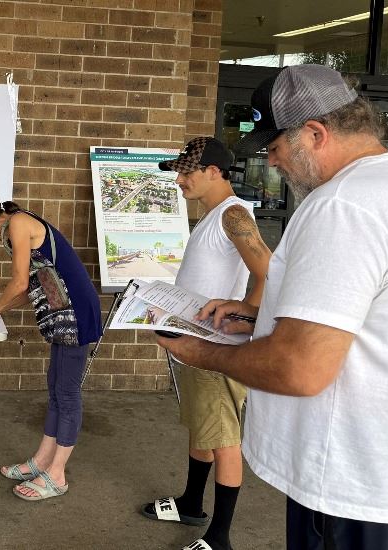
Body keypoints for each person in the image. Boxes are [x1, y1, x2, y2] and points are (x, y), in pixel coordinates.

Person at [158, 64, 388, 549]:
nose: (272, 162)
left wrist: (198, 352)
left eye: (275, 147)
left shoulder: (344, 206)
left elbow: (300, 368)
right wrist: (257, 317)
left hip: (350, 483)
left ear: (315, 133)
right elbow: (377, 320)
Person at [140, 137, 271, 550]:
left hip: (215, 348)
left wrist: (244, 311)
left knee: (224, 438)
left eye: (187, 172)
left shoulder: (232, 214)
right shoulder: (215, 215)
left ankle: (220, 537)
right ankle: (191, 503)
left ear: (214, 171)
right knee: (202, 427)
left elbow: (267, 270)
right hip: (194, 340)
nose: (179, 180)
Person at [0, 190, 103, 501]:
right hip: (61, 311)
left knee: (67, 392)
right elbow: (30, 287)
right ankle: (42, 461)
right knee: (55, 388)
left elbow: (20, 283)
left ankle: (57, 474)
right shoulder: (13, 230)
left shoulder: (19, 223)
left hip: (75, 311)